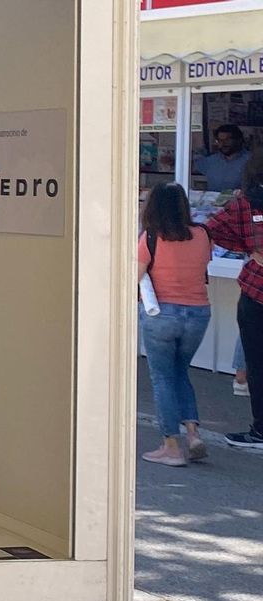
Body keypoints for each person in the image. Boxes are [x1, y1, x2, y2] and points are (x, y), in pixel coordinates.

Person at [137, 182, 213, 466]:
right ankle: (193, 434)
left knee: (163, 378)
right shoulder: (204, 234)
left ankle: (170, 445)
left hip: (161, 314)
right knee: (181, 372)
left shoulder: (151, 237)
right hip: (198, 313)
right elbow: (204, 262)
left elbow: (137, 275)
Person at [202, 152, 263, 450]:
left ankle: (261, 430)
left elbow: (212, 228)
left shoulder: (246, 202)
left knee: (258, 362)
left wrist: (247, 247)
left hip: (257, 287)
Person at [196, 123, 251, 194]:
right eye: (219, 140)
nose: (223, 143)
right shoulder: (211, 160)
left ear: (239, 140)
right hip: (213, 203)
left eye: (227, 139)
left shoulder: (251, 161)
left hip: (239, 204)